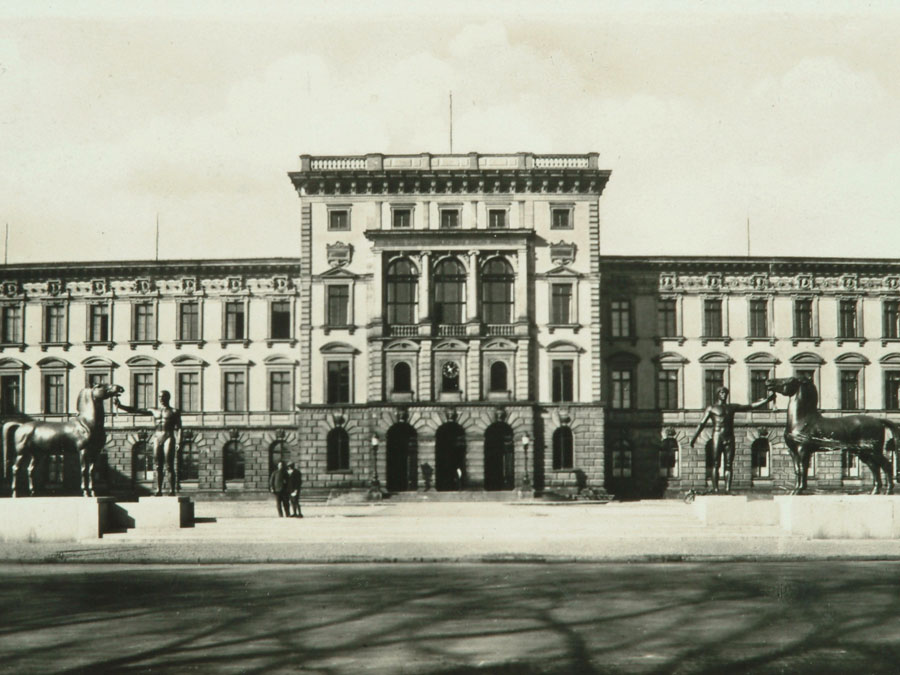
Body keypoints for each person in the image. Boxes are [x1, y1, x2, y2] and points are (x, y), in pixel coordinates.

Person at [690, 386, 775, 493]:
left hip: (729, 437)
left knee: (729, 464)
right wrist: (694, 438)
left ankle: (727, 489)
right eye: (721, 392)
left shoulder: (731, 407)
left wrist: (767, 400)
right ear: (717, 394)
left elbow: (750, 406)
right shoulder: (711, 408)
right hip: (717, 436)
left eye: (725, 393)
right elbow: (702, 423)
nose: (724, 394)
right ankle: (716, 489)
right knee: (716, 463)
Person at [115, 390, 183, 496]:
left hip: (168, 436)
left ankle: (172, 490)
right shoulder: (154, 410)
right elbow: (136, 410)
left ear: (168, 398)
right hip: (157, 437)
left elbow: (179, 428)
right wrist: (121, 406)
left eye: (163, 397)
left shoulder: (174, 411)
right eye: (159, 396)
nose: (160, 399)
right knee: (157, 466)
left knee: (169, 465)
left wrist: (179, 441)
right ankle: (159, 490)